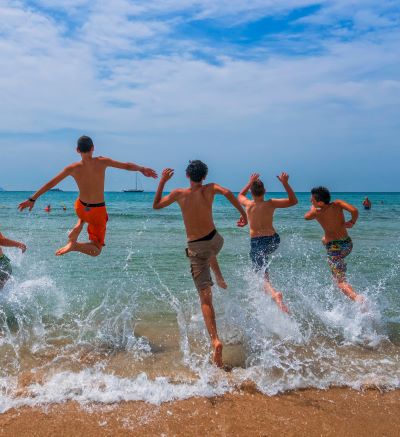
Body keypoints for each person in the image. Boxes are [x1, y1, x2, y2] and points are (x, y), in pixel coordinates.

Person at [152, 160, 248, 368]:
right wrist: (243, 214)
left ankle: (215, 340)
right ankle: (219, 277)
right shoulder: (211, 188)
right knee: (209, 251)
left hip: (197, 247)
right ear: (204, 176)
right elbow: (229, 192)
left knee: (206, 299)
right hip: (215, 240)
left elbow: (156, 205)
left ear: (187, 175)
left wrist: (162, 181)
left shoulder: (179, 193)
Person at [18, 135, 156, 256]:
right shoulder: (102, 161)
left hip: (80, 207)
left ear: (77, 150)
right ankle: (75, 245)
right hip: (97, 211)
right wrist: (142, 169)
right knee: (96, 250)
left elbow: (50, 184)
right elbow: (126, 166)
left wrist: (32, 199)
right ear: (93, 148)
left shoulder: (72, 168)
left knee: (83, 210)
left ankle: (80, 223)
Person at [238, 172, 298, 313]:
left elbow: (239, 195)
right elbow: (293, 201)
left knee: (260, 274)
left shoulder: (248, 204)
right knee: (263, 265)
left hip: (257, 242)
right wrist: (285, 183)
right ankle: (269, 293)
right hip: (273, 240)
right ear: (265, 191)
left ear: (251, 192)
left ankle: (274, 294)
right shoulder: (271, 203)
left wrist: (250, 181)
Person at [304, 187, 364, 303]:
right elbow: (354, 211)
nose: (311, 201)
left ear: (320, 203)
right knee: (324, 240)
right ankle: (340, 269)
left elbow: (306, 217)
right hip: (347, 244)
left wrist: (313, 209)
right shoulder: (337, 204)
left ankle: (357, 298)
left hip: (334, 248)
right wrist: (352, 222)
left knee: (339, 282)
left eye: (312, 200)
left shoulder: (317, 212)